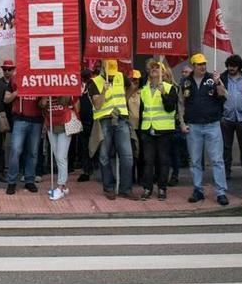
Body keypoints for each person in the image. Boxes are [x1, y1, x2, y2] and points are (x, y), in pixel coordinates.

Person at [179, 53, 229, 205]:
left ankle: (221, 192)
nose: (203, 66)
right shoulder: (185, 82)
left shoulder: (212, 79)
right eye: (199, 64)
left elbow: (225, 96)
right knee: (194, 160)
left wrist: (218, 82)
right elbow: (180, 104)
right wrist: (182, 123)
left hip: (212, 124)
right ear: (193, 66)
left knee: (217, 160)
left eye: (204, 64)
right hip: (193, 125)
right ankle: (198, 190)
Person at [90, 59, 139, 201]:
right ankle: (109, 188)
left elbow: (132, 87)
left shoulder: (120, 76)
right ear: (103, 69)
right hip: (104, 120)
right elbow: (97, 105)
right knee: (104, 156)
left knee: (127, 156)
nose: (111, 76)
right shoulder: (95, 82)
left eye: (113, 72)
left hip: (121, 118)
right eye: (109, 73)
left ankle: (125, 189)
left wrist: (124, 99)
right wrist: (104, 92)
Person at [138, 60, 179, 201]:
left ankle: (162, 188)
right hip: (147, 129)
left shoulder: (169, 88)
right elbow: (142, 110)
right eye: (152, 68)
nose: (154, 70)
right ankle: (147, 188)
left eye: (158, 68)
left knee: (163, 161)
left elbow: (170, 107)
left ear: (163, 72)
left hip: (164, 129)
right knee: (148, 161)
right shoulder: (144, 90)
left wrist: (163, 94)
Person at [4, 69, 43, 195]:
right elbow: (6, 99)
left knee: (33, 152)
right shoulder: (15, 78)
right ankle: (12, 182)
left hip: (36, 119)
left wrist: (44, 101)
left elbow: (42, 103)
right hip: (20, 119)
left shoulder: (40, 78)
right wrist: (17, 93)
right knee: (15, 150)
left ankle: (29, 180)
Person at [221, 54, 242, 180]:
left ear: (239, 67)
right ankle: (226, 171)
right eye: (229, 66)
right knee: (225, 146)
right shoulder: (223, 78)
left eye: (233, 66)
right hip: (226, 117)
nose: (231, 68)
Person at [41, 96, 76, 201]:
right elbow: (42, 105)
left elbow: (65, 100)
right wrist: (44, 99)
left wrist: (54, 93)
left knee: (61, 157)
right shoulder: (45, 91)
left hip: (64, 124)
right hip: (51, 124)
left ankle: (60, 187)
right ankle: (64, 186)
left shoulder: (65, 90)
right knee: (57, 156)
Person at [76, 68, 96, 183]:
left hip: (93, 119)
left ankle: (92, 168)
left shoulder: (92, 86)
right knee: (84, 146)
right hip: (82, 120)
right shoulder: (78, 87)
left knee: (94, 145)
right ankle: (86, 170)